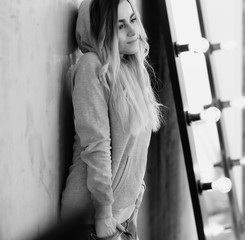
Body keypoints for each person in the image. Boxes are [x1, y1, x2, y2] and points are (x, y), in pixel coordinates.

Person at [61, 0, 162, 239]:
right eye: (120, 25)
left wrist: (134, 207)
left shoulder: (133, 71)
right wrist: (103, 214)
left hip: (121, 216)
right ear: (101, 32)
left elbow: (136, 150)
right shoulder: (91, 67)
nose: (132, 31)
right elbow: (96, 144)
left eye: (133, 20)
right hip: (91, 218)